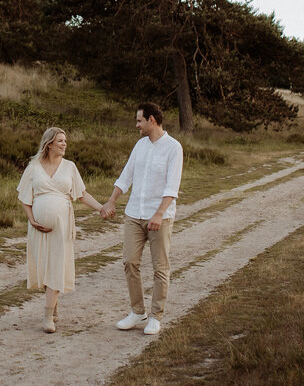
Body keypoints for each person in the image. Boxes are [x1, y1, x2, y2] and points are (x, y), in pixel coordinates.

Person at [100, 102, 183, 336]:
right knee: (130, 262)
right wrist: (112, 201)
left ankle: (156, 316)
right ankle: (138, 312)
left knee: (160, 268)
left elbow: (172, 186)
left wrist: (159, 214)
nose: (137, 125)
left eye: (139, 121)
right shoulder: (139, 146)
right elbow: (126, 176)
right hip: (134, 214)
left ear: (152, 120)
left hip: (160, 218)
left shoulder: (174, 148)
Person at [16, 127, 107, 333]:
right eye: (60, 141)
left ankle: (47, 315)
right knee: (45, 267)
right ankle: (53, 306)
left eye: (65, 141)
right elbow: (24, 197)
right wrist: (31, 220)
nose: (64, 144)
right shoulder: (33, 167)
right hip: (38, 228)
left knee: (56, 265)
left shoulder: (70, 167)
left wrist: (101, 208)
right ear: (49, 144)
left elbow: (81, 194)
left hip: (62, 226)